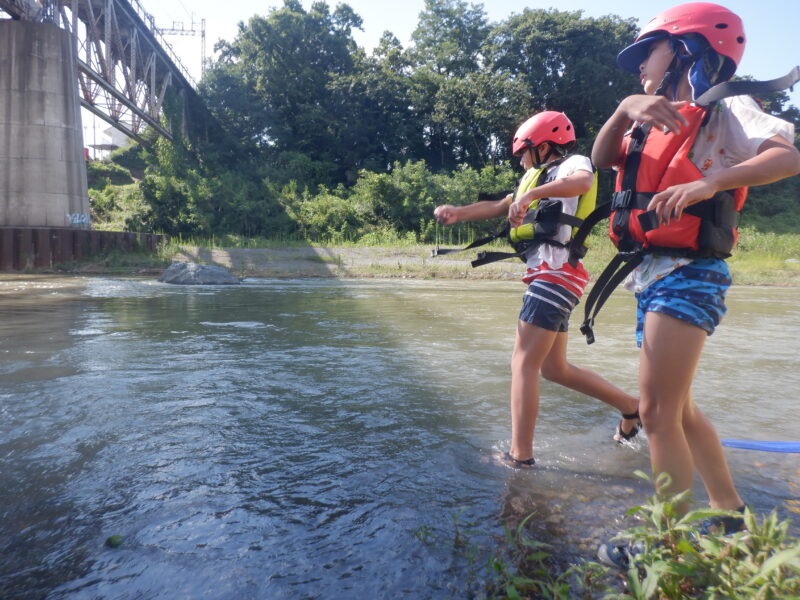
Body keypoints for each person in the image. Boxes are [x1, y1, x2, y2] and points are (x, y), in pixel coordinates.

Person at [588, 2, 800, 567]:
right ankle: (729, 512)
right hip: (652, 271)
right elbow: (602, 158)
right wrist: (622, 109)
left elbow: (787, 156)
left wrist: (712, 183)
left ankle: (671, 543)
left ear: (688, 50)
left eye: (648, 51)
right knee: (679, 410)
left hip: (689, 272)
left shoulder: (729, 105)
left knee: (656, 412)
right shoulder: (646, 113)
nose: (638, 66)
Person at [434, 110, 641, 468]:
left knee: (523, 364)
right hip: (555, 278)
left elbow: (582, 184)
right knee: (553, 369)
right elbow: (500, 205)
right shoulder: (534, 178)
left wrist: (531, 198)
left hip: (555, 274)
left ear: (544, 146)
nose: (520, 160)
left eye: (523, 152)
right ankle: (632, 408)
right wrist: (459, 212)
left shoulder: (574, 163)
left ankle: (520, 457)